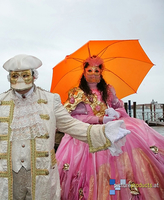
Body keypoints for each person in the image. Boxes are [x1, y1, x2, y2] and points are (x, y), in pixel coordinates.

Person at [0, 54, 130, 200]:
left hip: (40, 174)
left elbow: (73, 126)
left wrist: (105, 133)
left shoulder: (50, 101)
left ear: (34, 75)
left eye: (25, 75)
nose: (20, 79)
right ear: (9, 78)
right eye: (15, 75)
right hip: (7, 174)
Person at [56, 56, 164, 199]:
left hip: (112, 128)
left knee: (135, 134)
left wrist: (115, 112)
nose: (93, 73)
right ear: (84, 72)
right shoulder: (76, 94)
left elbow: (121, 110)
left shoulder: (108, 90)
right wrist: (99, 119)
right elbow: (74, 119)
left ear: (101, 73)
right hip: (87, 134)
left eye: (97, 70)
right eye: (90, 70)